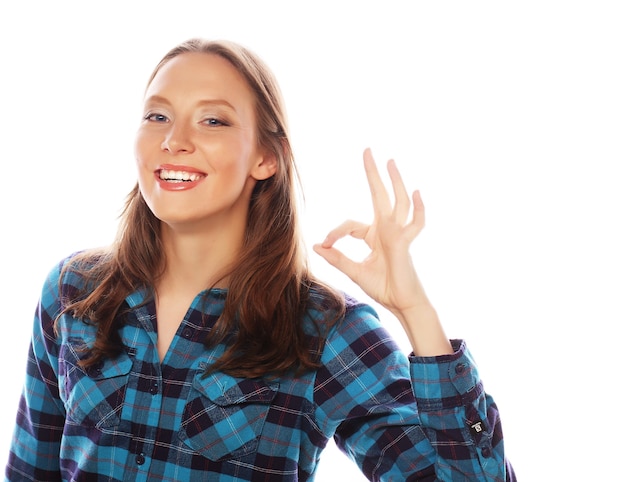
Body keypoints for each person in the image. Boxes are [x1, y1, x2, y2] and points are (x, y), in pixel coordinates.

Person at [5, 38, 516, 481]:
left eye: (212, 120)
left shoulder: (324, 330)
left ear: (265, 158)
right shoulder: (73, 292)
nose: (174, 141)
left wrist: (415, 310)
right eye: (157, 115)